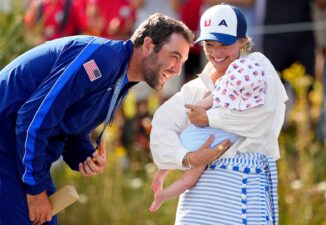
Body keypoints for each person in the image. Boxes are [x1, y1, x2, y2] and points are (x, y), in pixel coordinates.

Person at [0, 13, 193, 225]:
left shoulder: (120, 78)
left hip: (17, 150)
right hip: (8, 145)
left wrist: (84, 155)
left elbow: (67, 125)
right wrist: (35, 190)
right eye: (174, 56)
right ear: (148, 45)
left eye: (182, 61)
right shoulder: (101, 60)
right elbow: (32, 118)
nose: (177, 70)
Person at [150, 4, 288, 224]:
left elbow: (264, 117)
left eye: (224, 44)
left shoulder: (259, 69)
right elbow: (162, 125)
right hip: (197, 201)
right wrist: (187, 157)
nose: (216, 52)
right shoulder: (195, 89)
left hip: (243, 193)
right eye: (209, 44)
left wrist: (210, 119)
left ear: (242, 41)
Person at [149, 56, 267, 212]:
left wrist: (204, 106)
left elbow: (197, 107)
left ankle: (161, 174)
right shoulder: (246, 111)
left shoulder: (219, 94)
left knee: (179, 149)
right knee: (188, 180)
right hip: (206, 146)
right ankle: (162, 196)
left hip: (190, 134)